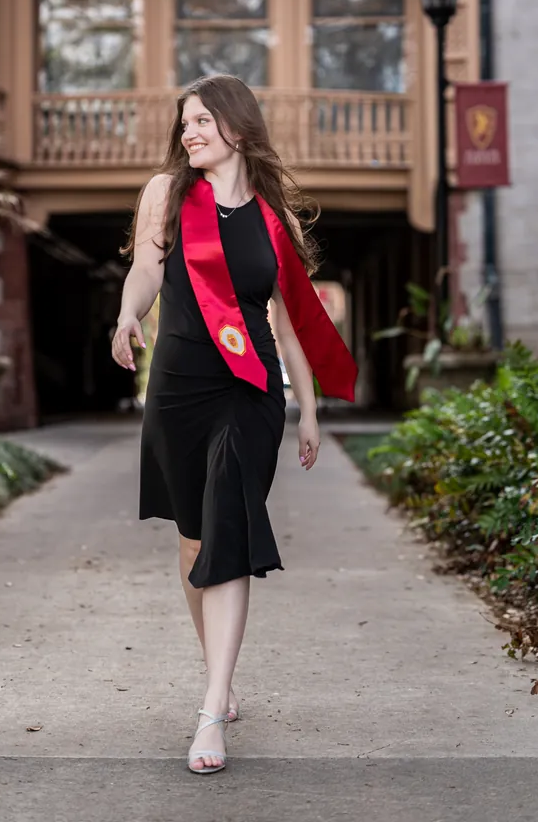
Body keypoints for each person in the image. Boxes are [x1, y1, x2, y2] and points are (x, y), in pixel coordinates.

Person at [112, 74, 356, 775]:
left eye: (201, 122)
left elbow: (292, 322)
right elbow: (146, 271)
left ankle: (213, 704)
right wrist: (129, 315)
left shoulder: (271, 218)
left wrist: (308, 410)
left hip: (249, 394)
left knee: (227, 523)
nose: (188, 133)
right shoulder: (168, 193)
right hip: (179, 389)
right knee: (194, 545)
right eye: (184, 123)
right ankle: (217, 667)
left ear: (238, 130)